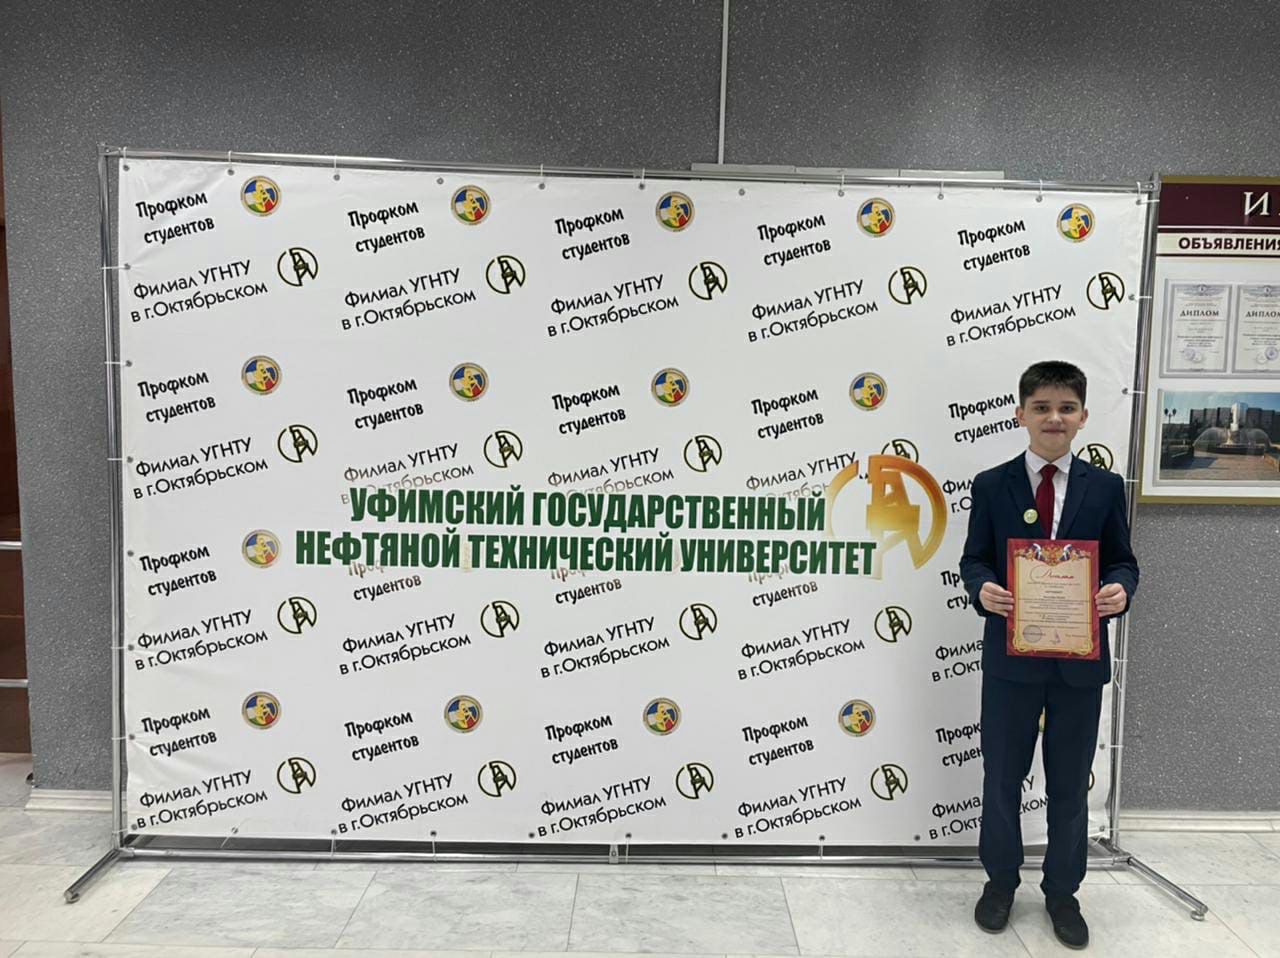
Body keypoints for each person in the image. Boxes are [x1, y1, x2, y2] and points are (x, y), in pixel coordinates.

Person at [960, 360, 1138, 950]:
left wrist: (1120, 589)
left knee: (1068, 784)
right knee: (1002, 778)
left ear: (1083, 417)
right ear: (1021, 415)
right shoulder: (992, 484)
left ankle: (1063, 893)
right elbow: (974, 559)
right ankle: (1000, 884)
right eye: (1041, 407)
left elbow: (1122, 561)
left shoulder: (1105, 487)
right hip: (1011, 661)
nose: (1053, 418)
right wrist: (983, 588)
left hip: (1079, 662)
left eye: (1065, 408)